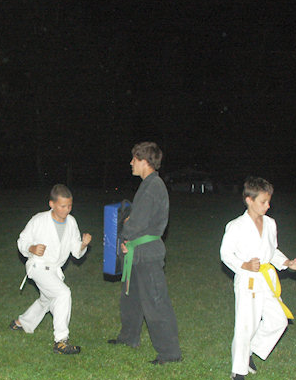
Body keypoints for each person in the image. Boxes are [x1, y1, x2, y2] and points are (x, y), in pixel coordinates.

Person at [220, 177, 296, 380]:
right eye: (263, 201)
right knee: (246, 325)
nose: (268, 206)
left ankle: (250, 350)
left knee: (279, 319)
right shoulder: (236, 226)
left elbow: (272, 251)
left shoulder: (270, 224)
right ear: (249, 200)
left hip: (266, 279)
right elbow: (226, 254)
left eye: (268, 201)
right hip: (247, 279)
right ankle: (238, 370)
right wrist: (244, 265)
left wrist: (288, 263)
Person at [108, 142, 181, 365]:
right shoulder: (148, 185)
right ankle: (128, 337)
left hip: (147, 254)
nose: (131, 162)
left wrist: (124, 236)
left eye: (134, 159)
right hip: (137, 252)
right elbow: (140, 217)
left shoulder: (152, 187)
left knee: (156, 302)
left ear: (145, 161)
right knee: (131, 297)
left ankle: (169, 353)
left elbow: (138, 222)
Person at [10, 184, 91, 354]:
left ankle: (22, 323)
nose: (66, 210)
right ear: (52, 204)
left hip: (54, 270)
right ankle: (60, 341)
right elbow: (22, 241)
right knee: (63, 293)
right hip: (38, 266)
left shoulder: (71, 222)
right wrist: (31, 248)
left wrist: (83, 244)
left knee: (47, 299)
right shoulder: (39, 220)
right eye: (63, 206)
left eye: (69, 206)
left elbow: (76, 251)